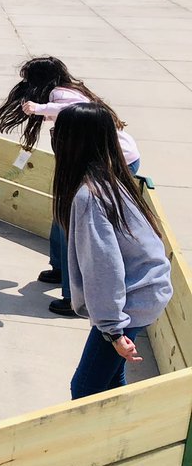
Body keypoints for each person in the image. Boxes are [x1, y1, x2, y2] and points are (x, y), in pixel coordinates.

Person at [0, 56, 141, 317]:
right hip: (98, 161)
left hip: (113, 163)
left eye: (28, 79)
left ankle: (74, 299)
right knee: (61, 217)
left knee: (74, 228)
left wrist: (37, 108)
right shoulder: (62, 93)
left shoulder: (61, 94)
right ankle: (60, 268)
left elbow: (76, 111)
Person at [52, 103, 171, 399]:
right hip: (147, 291)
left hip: (133, 299)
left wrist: (114, 330)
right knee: (110, 377)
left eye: (57, 133)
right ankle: (121, 435)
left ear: (73, 143)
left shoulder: (89, 197)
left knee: (85, 388)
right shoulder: (111, 180)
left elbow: (104, 269)